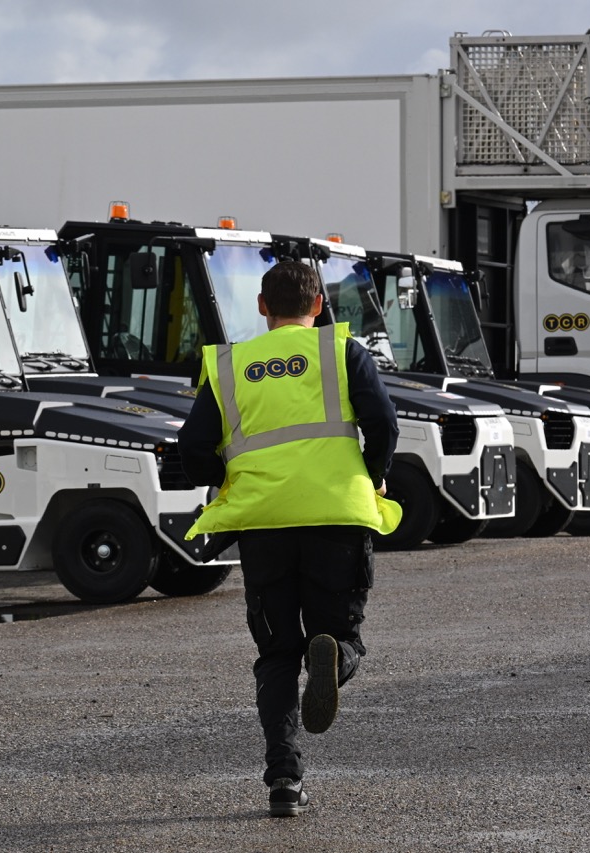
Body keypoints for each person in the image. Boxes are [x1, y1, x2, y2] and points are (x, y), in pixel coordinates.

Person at [177, 260, 400, 818]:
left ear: (261, 307)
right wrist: (372, 473)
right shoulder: (341, 353)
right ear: (320, 305)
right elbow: (385, 423)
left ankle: (283, 778)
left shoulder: (228, 365)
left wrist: (231, 478)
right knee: (341, 629)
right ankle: (335, 655)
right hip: (335, 515)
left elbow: (192, 445)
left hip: (265, 521)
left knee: (275, 652)